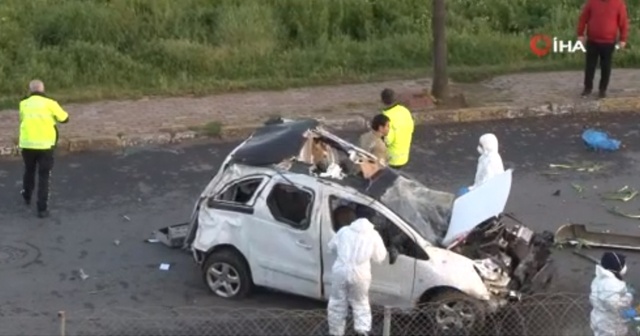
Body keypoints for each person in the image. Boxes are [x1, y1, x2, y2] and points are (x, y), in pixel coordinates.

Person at [327, 217, 387, 336]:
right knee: (360, 302)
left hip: (341, 270)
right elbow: (380, 257)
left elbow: (331, 247)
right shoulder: (374, 235)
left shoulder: (344, 231)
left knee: (337, 301)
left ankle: (336, 332)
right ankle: (362, 330)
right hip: (361, 274)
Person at [18, 79, 69, 218]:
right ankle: (42, 208)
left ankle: (27, 195)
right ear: (43, 89)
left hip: (27, 144)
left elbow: (22, 119)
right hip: (46, 145)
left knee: (29, 171)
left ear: (30, 90)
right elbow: (65, 118)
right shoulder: (50, 103)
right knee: (44, 176)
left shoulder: (23, 104)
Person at [577, 0, 629, 99]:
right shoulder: (592, 2)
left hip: (608, 42)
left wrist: (623, 39)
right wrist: (580, 33)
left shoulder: (618, 3)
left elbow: (623, 22)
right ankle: (588, 88)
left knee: (606, 67)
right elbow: (583, 18)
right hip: (592, 40)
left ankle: (602, 90)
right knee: (590, 66)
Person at [590, 251, 633, 336]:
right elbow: (613, 304)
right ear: (617, 267)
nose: (625, 266)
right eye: (623, 264)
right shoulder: (611, 284)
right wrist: (628, 297)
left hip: (602, 321)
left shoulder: (600, 279)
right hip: (610, 327)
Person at [380, 89, 414, 170]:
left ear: (382, 101)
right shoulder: (404, 111)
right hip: (404, 155)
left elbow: (387, 140)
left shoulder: (386, 117)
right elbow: (411, 128)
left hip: (391, 158)